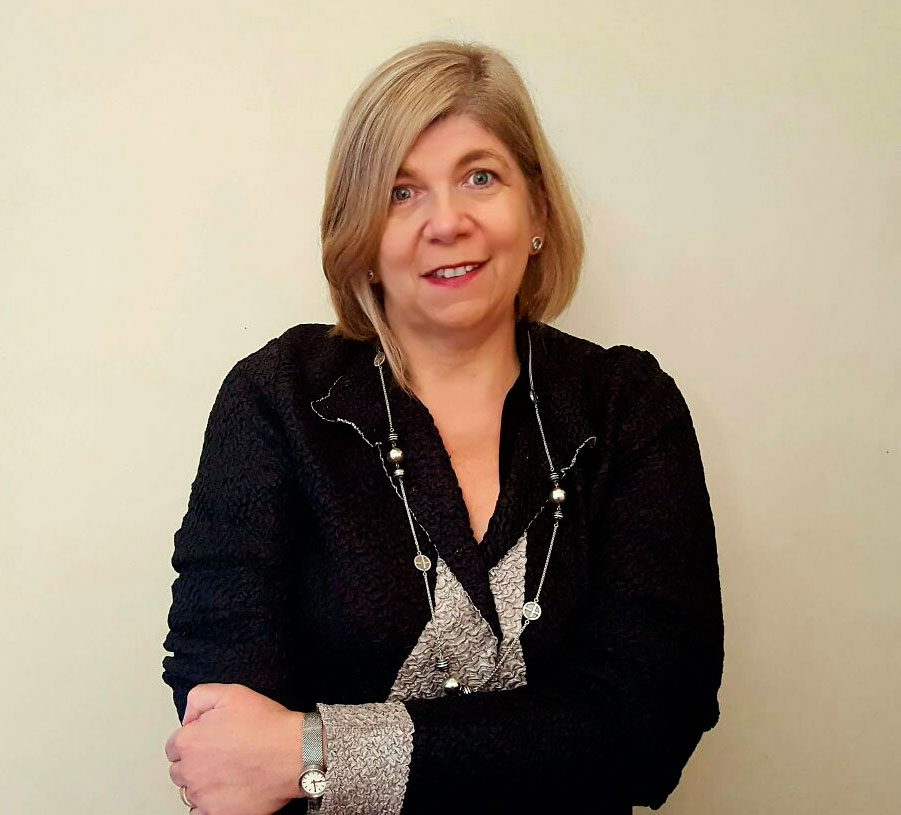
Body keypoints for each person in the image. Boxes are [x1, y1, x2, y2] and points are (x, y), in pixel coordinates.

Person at [162, 39, 724, 815]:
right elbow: (227, 738)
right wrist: (537, 743)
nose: (446, 221)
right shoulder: (280, 397)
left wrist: (313, 751)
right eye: (401, 192)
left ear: (537, 208)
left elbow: (647, 725)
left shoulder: (626, 406)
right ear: (361, 234)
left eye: (480, 176)